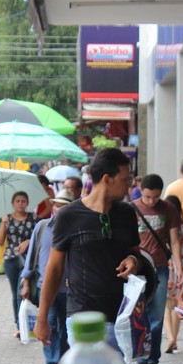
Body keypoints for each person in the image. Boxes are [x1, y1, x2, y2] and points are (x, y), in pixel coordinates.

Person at [34, 147, 141, 351]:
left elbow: (135, 253)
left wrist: (134, 260)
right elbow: (55, 269)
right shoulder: (69, 216)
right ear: (107, 179)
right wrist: (42, 318)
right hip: (83, 318)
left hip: (122, 318)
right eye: (125, 180)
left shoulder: (127, 214)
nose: (129, 186)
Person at [130, 174, 183, 364]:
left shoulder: (168, 209)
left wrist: (179, 267)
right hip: (138, 270)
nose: (151, 201)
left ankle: (152, 361)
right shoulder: (131, 209)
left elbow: (175, 241)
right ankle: (141, 362)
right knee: (138, 317)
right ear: (140, 190)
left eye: (155, 197)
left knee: (156, 318)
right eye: (147, 197)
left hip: (161, 269)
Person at [21, 189, 74, 364]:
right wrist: (26, 282)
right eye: (58, 205)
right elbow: (32, 256)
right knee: (49, 324)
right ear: (53, 206)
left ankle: (65, 362)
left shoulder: (75, 229)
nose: (60, 209)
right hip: (45, 287)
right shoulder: (42, 227)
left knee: (67, 327)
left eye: (65, 206)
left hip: (70, 288)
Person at [0, 192, 37, 337]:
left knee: (24, 292)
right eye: (18, 201)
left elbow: (39, 238)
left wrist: (28, 242)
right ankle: (18, 323)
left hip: (28, 260)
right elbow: (0, 241)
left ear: (27, 203)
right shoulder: (7, 219)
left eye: (23, 201)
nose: (21, 203)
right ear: (13, 203)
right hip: (11, 260)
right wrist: (3, 224)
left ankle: (23, 325)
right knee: (16, 293)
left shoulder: (34, 219)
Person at [163, 194, 183, 354]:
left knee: (166, 306)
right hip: (182, 268)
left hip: (167, 266)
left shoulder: (164, 226)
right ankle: (175, 340)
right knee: (177, 305)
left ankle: (170, 338)